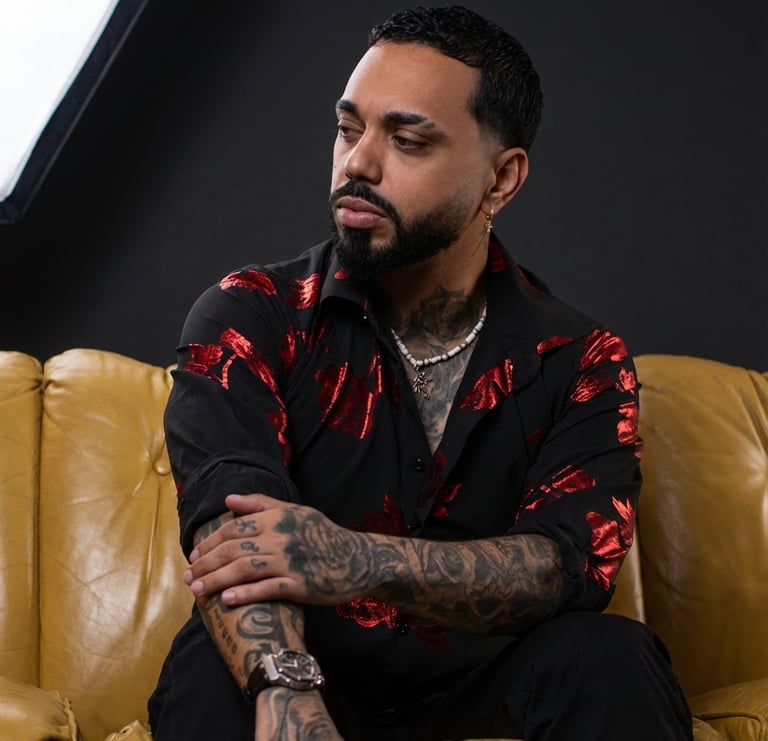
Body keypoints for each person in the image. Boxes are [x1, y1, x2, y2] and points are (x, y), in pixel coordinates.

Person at [148, 5, 693, 740]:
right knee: (212, 671)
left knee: (611, 656)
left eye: (406, 140)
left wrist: (359, 559)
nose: (358, 164)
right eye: (348, 129)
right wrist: (286, 687)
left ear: (501, 179)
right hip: (300, 666)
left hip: (483, 687)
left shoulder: (581, 360)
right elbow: (235, 542)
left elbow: (567, 568)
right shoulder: (250, 315)